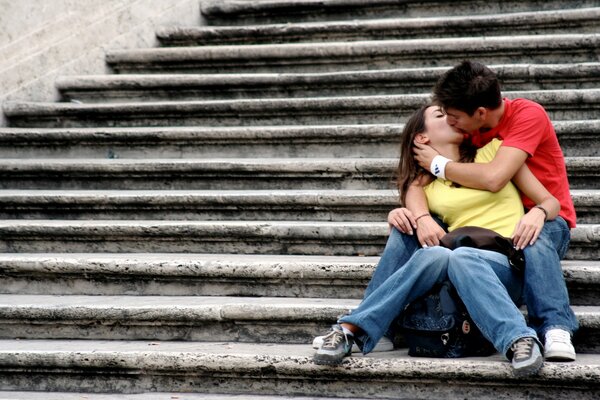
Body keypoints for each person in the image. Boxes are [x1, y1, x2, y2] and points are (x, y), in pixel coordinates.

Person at [313, 104, 560, 376]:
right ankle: (349, 331)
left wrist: (538, 212)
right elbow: (412, 192)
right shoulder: (424, 185)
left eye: (453, 113)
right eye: (441, 116)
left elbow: (550, 201)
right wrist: (412, 216)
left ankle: (518, 338)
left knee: (461, 255)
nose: (452, 118)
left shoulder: (493, 153)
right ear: (422, 138)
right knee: (437, 254)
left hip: (504, 264)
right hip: (457, 265)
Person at [412, 61, 578, 361]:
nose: (451, 124)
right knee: (411, 224)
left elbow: (494, 178)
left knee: (534, 236)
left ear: (480, 113)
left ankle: (555, 327)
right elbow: (414, 183)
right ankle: (368, 322)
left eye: (454, 117)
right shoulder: (470, 131)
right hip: (494, 238)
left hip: (547, 218)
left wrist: (438, 164)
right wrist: (420, 216)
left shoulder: (527, 115)